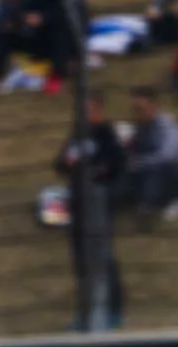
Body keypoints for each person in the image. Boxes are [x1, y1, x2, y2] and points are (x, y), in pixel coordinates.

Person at [56, 94, 126, 328]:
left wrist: (95, 170)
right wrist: (68, 163)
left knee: (103, 258)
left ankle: (112, 311)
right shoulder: (77, 134)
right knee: (80, 260)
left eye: (88, 109)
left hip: (99, 204)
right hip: (77, 203)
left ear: (99, 110)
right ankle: (85, 312)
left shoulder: (107, 134)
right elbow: (58, 162)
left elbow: (116, 162)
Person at [117, 86, 178, 221]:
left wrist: (141, 162)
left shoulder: (166, 125)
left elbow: (168, 155)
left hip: (168, 170)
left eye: (141, 108)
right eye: (135, 109)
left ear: (153, 105)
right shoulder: (137, 128)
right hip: (144, 169)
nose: (137, 113)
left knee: (157, 171)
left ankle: (150, 204)